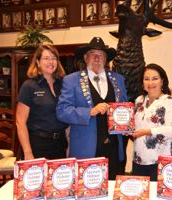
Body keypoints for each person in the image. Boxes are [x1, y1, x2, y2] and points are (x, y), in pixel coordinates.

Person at [56, 37, 127, 180]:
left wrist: (127, 124)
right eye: (92, 54)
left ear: (106, 59)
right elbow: (62, 111)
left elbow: (124, 107)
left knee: (112, 188)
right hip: (86, 149)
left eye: (101, 54)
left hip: (113, 147)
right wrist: (90, 111)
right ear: (85, 57)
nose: (96, 58)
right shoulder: (71, 80)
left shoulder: (118, 79)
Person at [16, 45, 68, 160]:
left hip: (60, 144)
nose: (51, 61)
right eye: (46, 58)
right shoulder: (29, 86)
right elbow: (20, 122)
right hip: (38, 145)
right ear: (38, 62)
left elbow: (67, 116)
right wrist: (28, 152)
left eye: (54, 58)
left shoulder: (63, 85)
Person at [131, 63, 172, 181]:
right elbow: (133, 125)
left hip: (161, 161)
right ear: (142, 82)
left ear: (162, 81)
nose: (150, 82)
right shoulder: (139, 101)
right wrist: (126, 129)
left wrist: (147, 131)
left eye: (155, 79)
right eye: (146, 79)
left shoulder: (170, 102)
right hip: (139, 159)